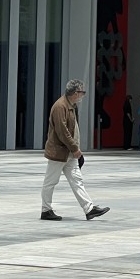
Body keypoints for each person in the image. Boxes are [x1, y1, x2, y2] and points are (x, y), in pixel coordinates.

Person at [40, 79, 110, 222]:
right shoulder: (60, 107)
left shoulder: (71, 106)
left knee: (77, 181)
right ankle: (46, 210)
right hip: (59, 152)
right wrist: (75, 148)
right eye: (81, 92)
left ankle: (89, 209)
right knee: (50, 182)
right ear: (74, 93)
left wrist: (75, 150)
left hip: (70, 153)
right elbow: (62, 132)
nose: (83, 95)